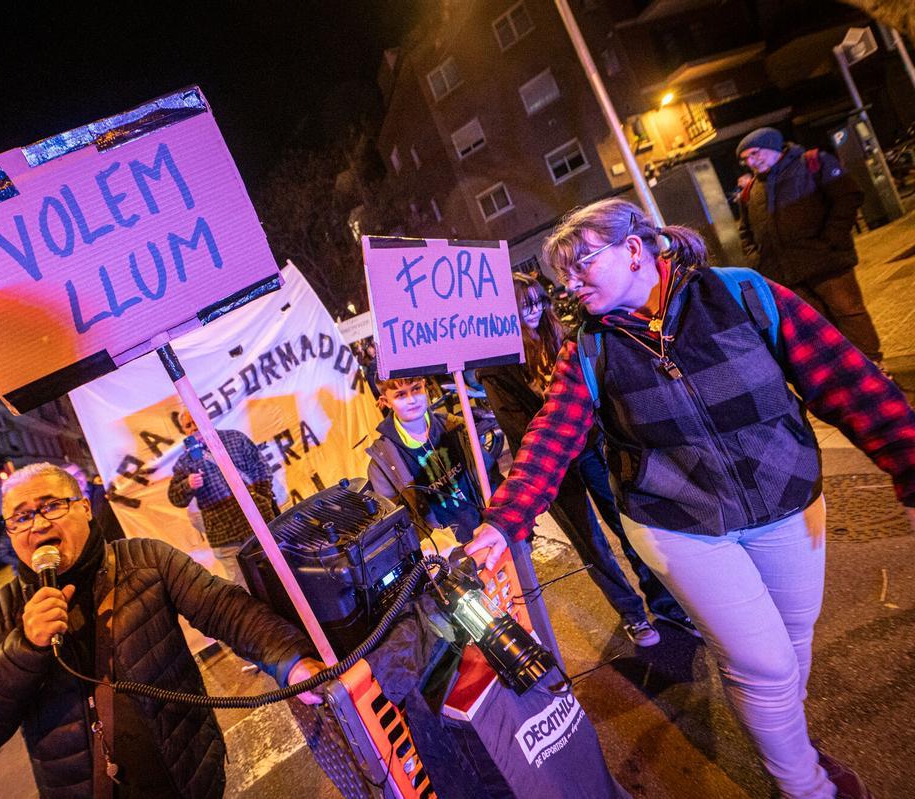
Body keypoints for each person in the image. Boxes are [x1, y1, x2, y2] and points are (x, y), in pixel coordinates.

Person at [464, 198, 915, 798]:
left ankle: (786, 740)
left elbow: (844, 379)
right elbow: (551, 434)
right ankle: (804, 786)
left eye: (580, 265)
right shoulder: (591, 347)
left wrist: (907, 460)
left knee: (790, 645)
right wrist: (504, 522)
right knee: (764, 664)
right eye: (560, 276)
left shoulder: (743, 294)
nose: (568, 285)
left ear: (633, 249)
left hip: (788, 502)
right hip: (679, 524)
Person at [0, 463, 320, 799]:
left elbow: (226, 609)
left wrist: (292, 662)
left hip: (188, 780)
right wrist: (23, 648)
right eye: (20, 518)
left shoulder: (147, 560)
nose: (37, 524)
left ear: (84, 507)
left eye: (51, 506)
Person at [478, 274, 698, 647]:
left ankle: (666, 606)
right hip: (552, 465)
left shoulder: (564, 337)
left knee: (628, 525)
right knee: (590, 542)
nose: (532, 311)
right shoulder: (497, 364)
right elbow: (517, 425)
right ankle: (632, 614)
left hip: (593, 447)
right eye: (522, 305)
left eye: (535, 301)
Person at [736, 126, 884, 367]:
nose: (751, 162)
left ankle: (874, 366)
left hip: (827, 262)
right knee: (818, 326)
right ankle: (846, 372)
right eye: (746, 159)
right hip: (787, 274)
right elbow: (746, 232)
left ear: (773, 146)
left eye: (755, 153)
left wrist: (832, 239)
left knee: (850, 313)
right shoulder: (751, 190)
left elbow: (849, 195)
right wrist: (758, 259)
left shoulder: (812, 163)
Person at [365, 376, 496, 545]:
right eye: (400, 395)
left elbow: (490, 473)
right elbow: (396, 522)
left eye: (416, 389)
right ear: (386, 401)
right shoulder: (383, 462)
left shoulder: (454, 427)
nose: (412, 400)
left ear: (424, 386)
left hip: (487, 530)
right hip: (445, 552)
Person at [167, 411, 274, 588]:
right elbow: (175, 498)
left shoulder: (234, 438)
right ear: (184, 432)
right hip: (225, 539)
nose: (194, 427)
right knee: (246, 589)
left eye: (196, 421)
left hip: (260, 524)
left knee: (280, 576)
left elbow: (262, 469)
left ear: (206, 418)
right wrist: (188, 484)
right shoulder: (186, 462)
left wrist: (260, 501)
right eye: (188, 425)